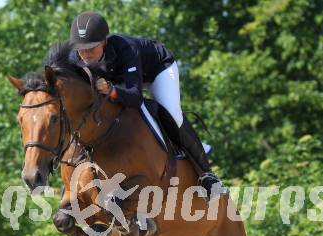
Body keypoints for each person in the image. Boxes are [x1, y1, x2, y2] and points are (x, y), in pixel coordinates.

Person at [68, 11, 224, 200]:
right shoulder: (75, 59)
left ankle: (207, 174)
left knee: (172, 113)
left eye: (91, 47)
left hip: (156, 71)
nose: (85, 53)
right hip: (121, 80)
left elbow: (135, 97)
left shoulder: (126, 49)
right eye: (80, 48)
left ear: (104, 41)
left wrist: (112, 91)